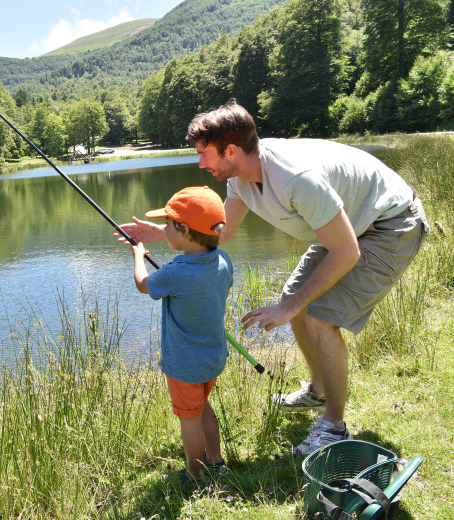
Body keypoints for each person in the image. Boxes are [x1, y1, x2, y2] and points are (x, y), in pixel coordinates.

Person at [120, 101, 429, 456]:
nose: (201, 163)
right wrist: (161, 233)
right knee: (294, 296)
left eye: (204, 154)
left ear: (231, 150)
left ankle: (334, 426)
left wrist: (291, 306)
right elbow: (223, 232)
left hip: (389, 225)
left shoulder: (296, 179)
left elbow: (347, 252)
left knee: (318, 315)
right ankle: (318, 390)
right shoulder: (240, 177)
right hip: (349, 228)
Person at [127, 186, 233, 480]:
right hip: (212, 357)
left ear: (184, 230)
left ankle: (196, 475)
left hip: (185, 364)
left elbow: (143, 284)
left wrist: (138, 254)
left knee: (189, 418)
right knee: (203, 407)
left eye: (168, 225)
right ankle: (216, 461)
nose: (165, 229)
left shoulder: (175, 273)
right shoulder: (223, 260)